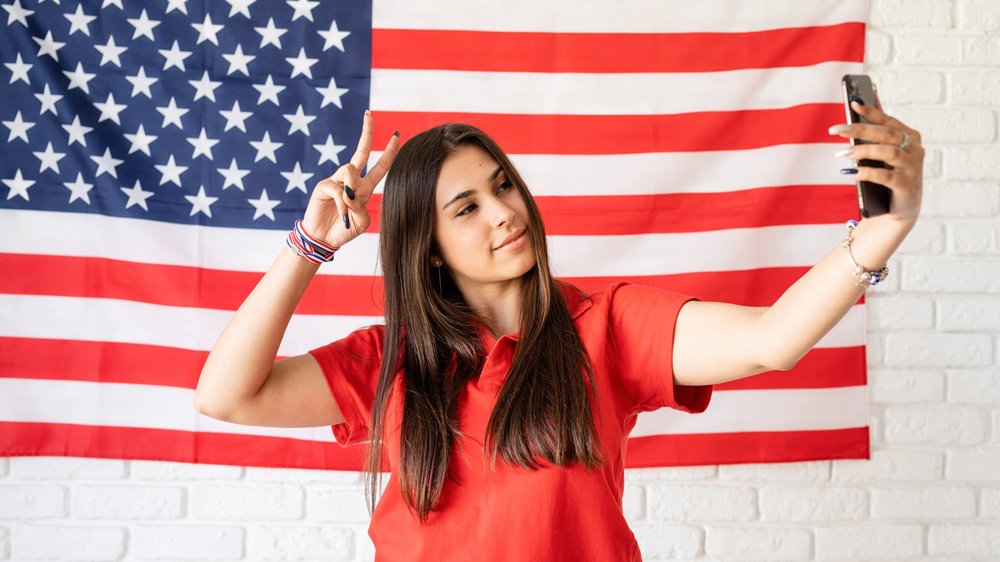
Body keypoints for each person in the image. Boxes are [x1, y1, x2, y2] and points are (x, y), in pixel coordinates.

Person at [195, 96, 924, 561]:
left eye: (503, 184)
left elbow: (775, 338)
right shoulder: (391, 358)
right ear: (428, 247)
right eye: (467, 208)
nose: (505, 212)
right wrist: (309, 245)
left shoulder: (606, 327)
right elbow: (226, 396)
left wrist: (886, 226)